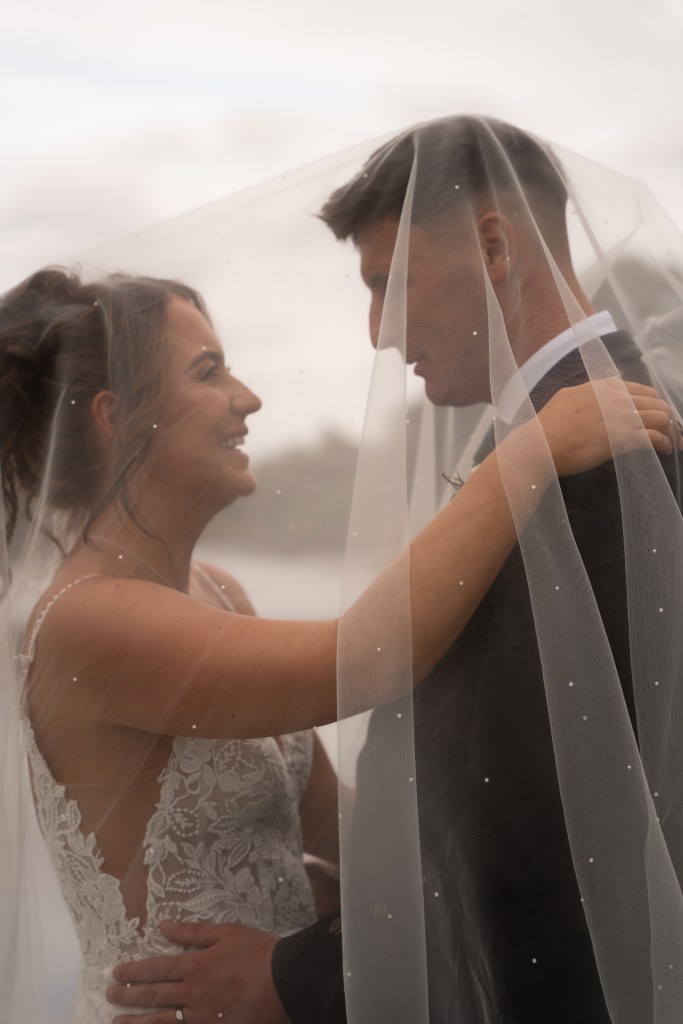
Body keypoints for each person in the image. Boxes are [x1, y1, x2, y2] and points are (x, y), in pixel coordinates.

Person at [107, 117, 683, 1024]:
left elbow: (528, 817)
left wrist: (300, 976)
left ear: (493, 248)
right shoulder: (568, 427)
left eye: (388, 283)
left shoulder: (589, 458)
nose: (378, 333)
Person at [0, 262, 661, 1024]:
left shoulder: (219, 593)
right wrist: (525, 456)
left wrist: (382, 908)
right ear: (115, 417)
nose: (248, 398)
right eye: (209, 371)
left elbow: (340, 825)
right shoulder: (87, 621)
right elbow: (362, 661)